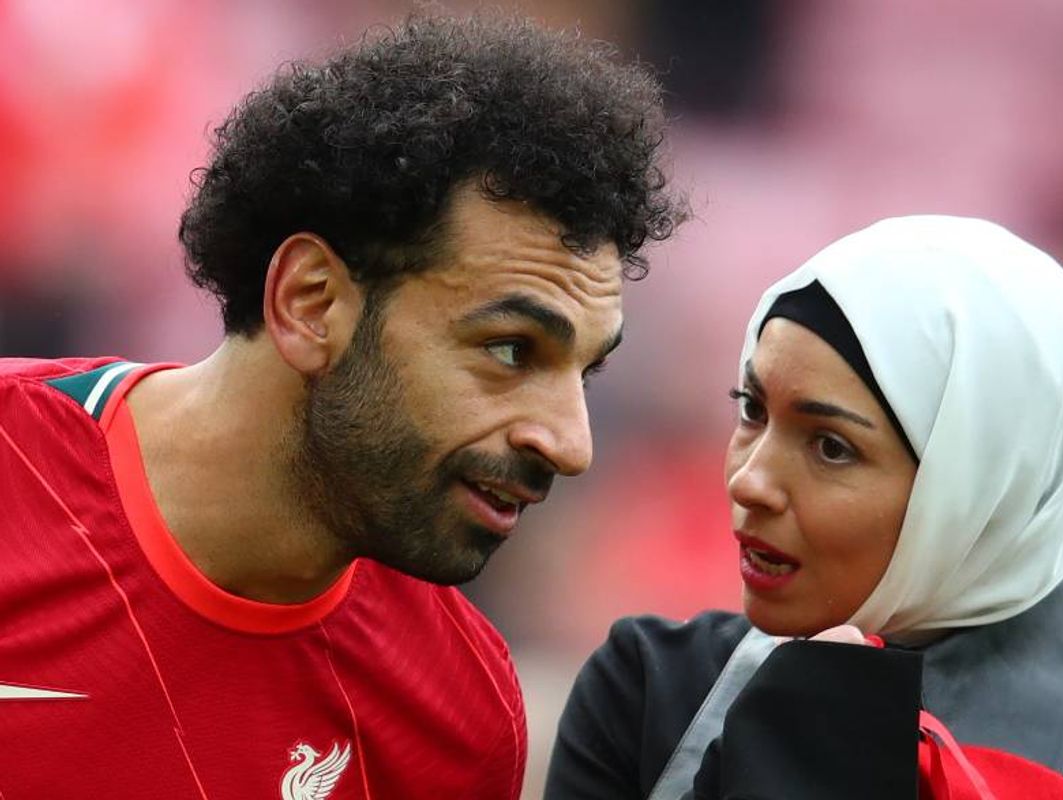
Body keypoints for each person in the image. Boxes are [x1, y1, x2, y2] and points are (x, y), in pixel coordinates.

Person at [0, 13, 685, 799]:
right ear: (311, 302)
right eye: (510, 349)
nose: (570, 444)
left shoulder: (459, 716)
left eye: (585, 373)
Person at [546, 216, 1063, 799]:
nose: (750, 480)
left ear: (979, 493)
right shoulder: (651, 688)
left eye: (831, 447)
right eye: (752, 410)